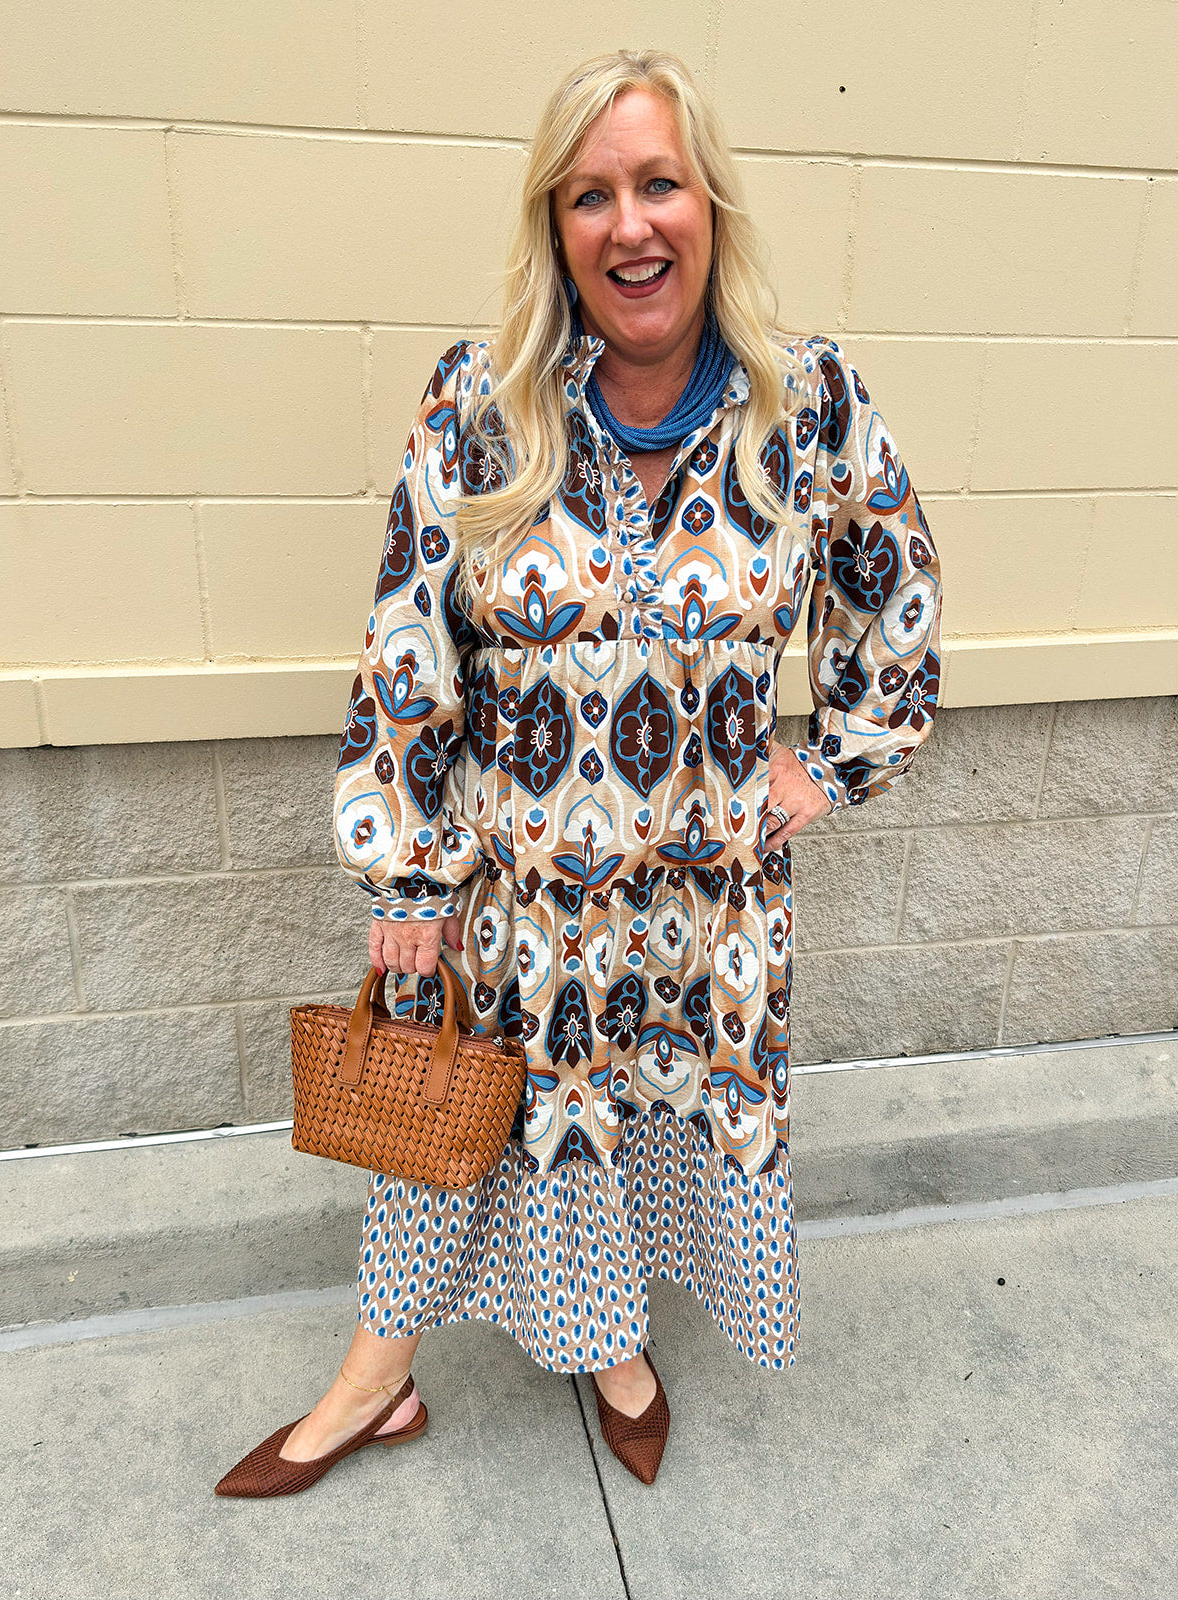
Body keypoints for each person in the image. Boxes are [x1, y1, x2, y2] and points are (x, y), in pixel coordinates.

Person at [215, 46, 943, 1498]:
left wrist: (833, 766)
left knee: (633, 1126)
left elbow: (897, 595)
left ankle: (614, 1352)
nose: (632, 224)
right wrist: (409, 872)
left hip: (705, 909)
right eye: (592, 194)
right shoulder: (481, 404)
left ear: (710, 205)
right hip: (520, 896)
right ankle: (378, 1379)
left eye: (659, 183)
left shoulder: (809, 407)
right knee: (469, 1131)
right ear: (556, 228)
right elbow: (407, 645)